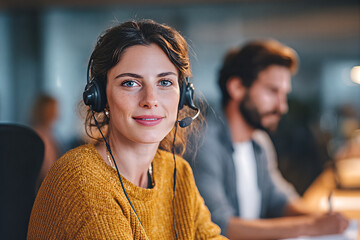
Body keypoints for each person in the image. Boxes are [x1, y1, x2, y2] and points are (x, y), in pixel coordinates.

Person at [27, 20, 226, 239]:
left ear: (183, 96)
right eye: (130, 83)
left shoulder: (177, 173)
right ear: (100, 97)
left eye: (165, 82)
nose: (150, 100)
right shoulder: (82, 179)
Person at [190, 40, 349, 239]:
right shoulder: (203, 144)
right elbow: (218, 225)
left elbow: (279, 200)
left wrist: (321, 218)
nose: (282, 107)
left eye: (284, 95)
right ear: (237, 87)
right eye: (273, 91)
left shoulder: (259, 142)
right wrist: (310, 226)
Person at [29, 94, 60, 192]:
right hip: (45, 190)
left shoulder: (50, 133)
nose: (57, 112)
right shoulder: (40, 135)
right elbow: (48, 170)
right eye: (53, 108)